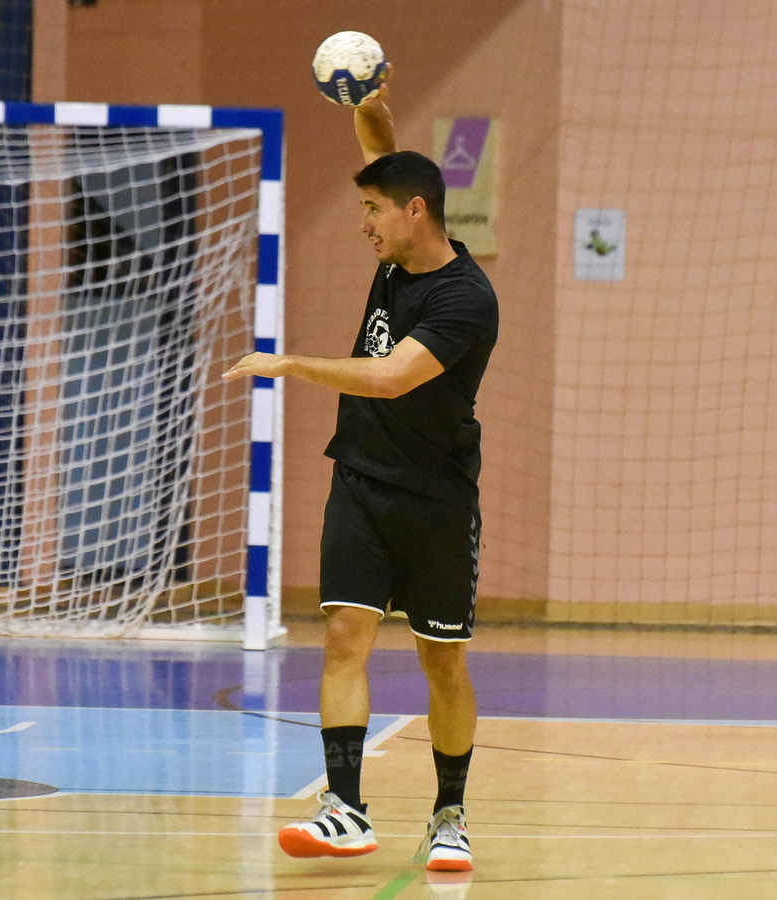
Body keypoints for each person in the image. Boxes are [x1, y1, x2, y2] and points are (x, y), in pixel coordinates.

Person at [222, 74, 498, 872]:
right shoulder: (395, 248)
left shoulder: (467, 299)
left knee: (441, 659)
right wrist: (363, 95)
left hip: (438, 496)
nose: (363, 226)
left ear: (416, 213)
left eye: (374, 211)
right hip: (362, 482)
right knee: (344, 634)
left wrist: (290, 363)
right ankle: (345, 805)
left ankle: (450, 811)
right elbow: (385, 147)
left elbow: (388, 378)